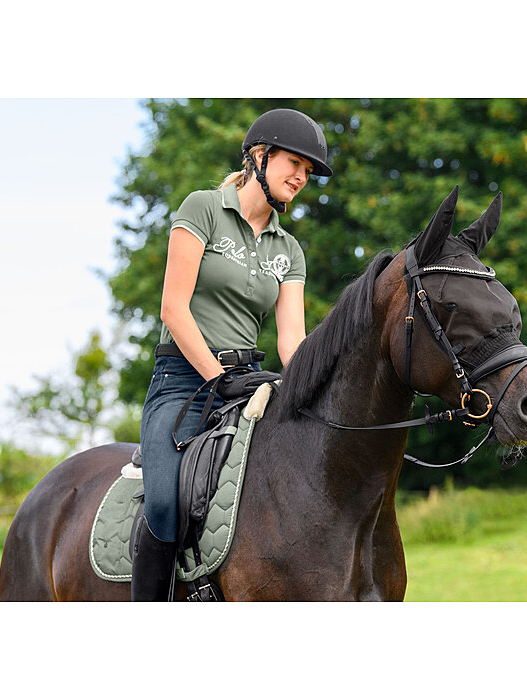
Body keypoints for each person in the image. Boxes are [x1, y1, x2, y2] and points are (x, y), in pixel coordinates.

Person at [131, 108, 333, 601]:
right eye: (295, 163)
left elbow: (291, 343)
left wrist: (321, 386)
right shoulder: (202, 208)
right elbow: (174, 310)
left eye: (309, 170)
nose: (303, 176)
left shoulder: (290, 250)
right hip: (182, 382)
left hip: (249, 383)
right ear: (259, 157)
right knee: (163, 503)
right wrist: (216, 376)